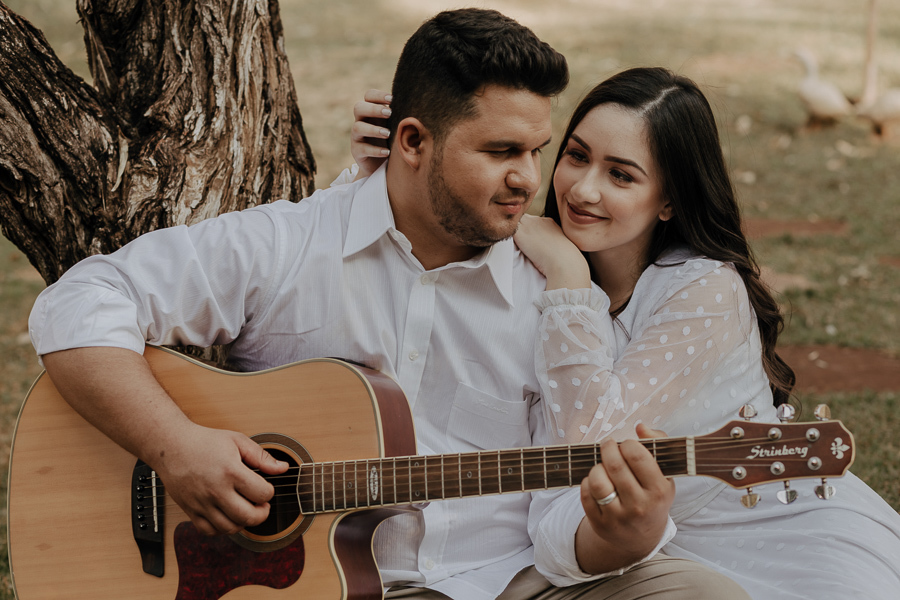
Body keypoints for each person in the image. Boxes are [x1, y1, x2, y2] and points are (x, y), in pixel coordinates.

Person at [27, 10, 749, 600]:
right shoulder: (291, 244)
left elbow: (558, 506)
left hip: (499, 582)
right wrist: (176, 448)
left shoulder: (558, 298)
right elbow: (80, 302)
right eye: (501, 151)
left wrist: (617, 534)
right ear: (412, 141)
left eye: (537, 149)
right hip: (311, 585)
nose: (531, 180)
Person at [350, 67, 900, 599]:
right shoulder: (525, 257)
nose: (583, 190)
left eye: (621, 175)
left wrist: (569, 278)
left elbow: (589, 437)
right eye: (576, 156)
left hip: (762, 532)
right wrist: (384, 172)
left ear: (668, 200)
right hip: (622, 548)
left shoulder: (703, 290)